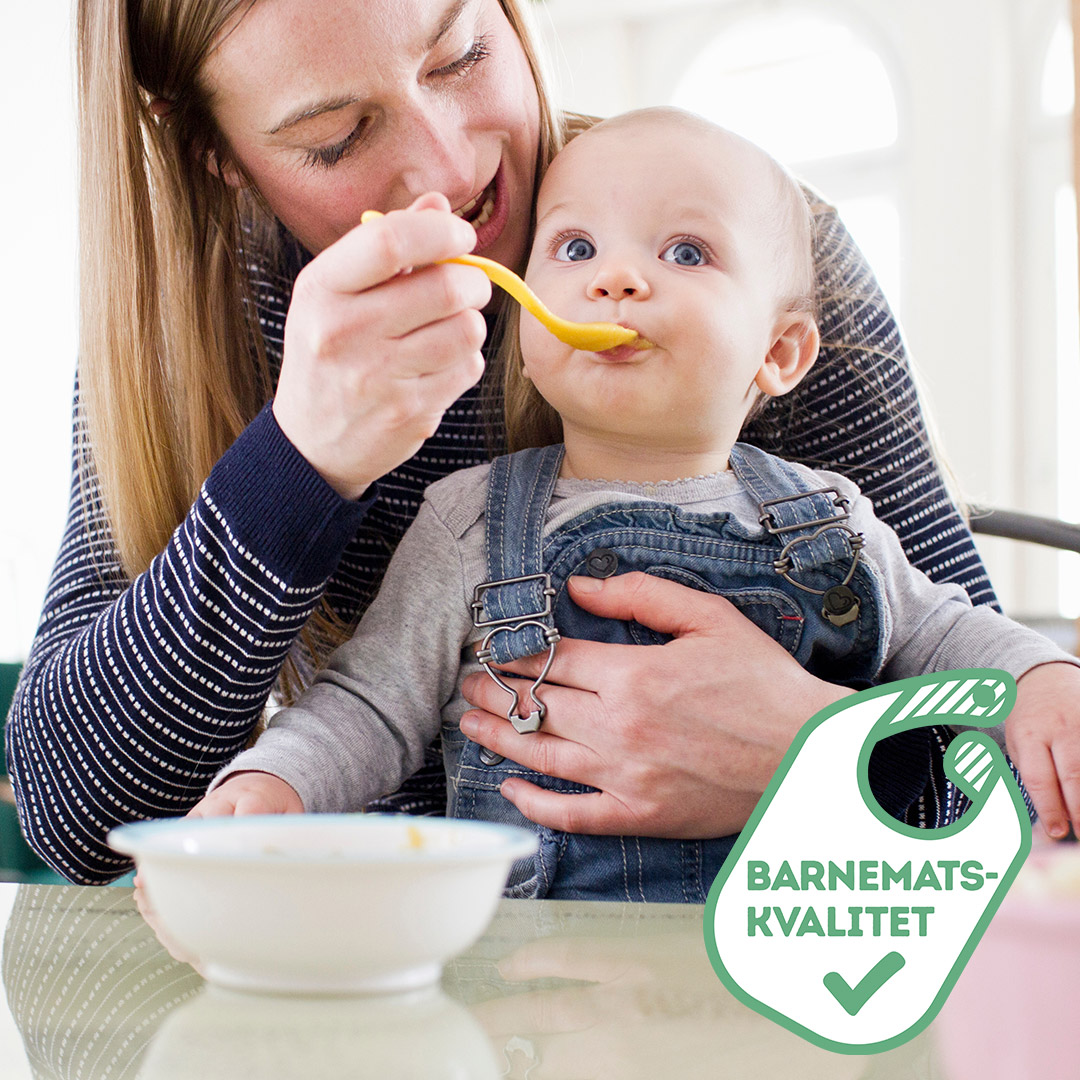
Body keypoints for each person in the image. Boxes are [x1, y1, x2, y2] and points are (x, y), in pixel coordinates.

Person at [7, 0, 1072, 888]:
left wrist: (824, 756)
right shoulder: (196, 330)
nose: (450, 166)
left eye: (463, 53)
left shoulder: (758, 261)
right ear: (217, 154)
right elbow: (75, 813)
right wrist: (299, 466)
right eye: (336, 135)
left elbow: (1018, 754)